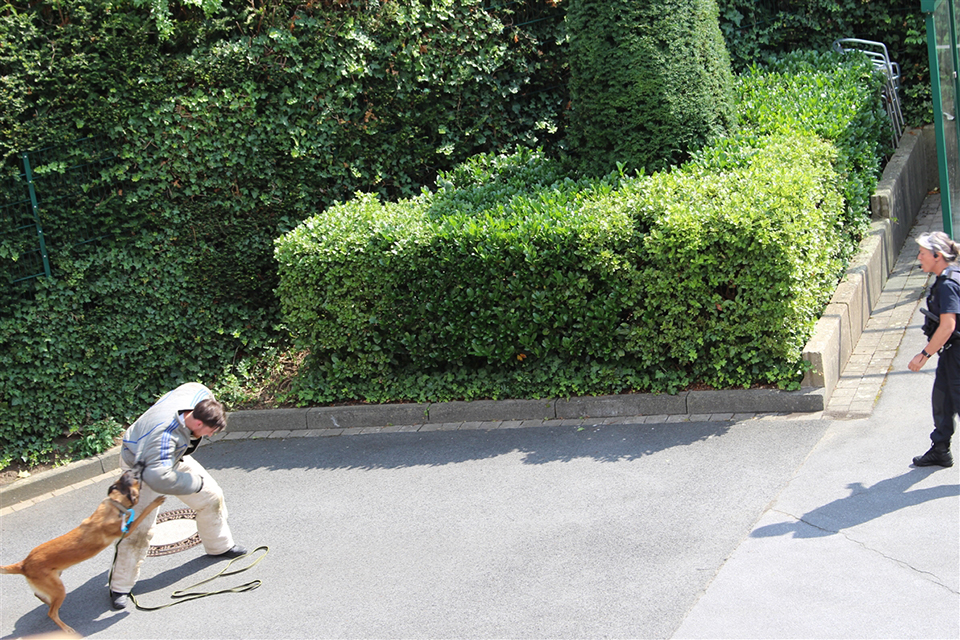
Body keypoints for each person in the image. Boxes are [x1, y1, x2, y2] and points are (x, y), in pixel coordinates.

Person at [108, 382, 247, 609]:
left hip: (171, 458)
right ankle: (119, 587)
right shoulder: (163, 437)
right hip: (143, 468)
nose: (210, 435)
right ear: (198, 422)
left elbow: (195, 386)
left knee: (211, 496)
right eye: (210, 432)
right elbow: (158, 478)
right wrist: (194, 482)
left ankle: (219, 545)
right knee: (139, 529)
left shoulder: (197, 399)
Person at [907, 231, 958, 468]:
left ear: (937, 255)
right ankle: (940, 449)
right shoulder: (948, 276)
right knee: (942, 399)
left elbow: (948, 325)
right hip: (951, 354)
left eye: (923, 253)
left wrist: (924, 354)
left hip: (957, 353)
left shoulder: (948, 285)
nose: (919, 257)